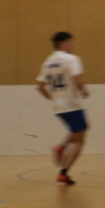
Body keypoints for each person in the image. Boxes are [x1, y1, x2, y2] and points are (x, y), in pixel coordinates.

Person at [35, 32, 90, 186]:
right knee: (80, 141)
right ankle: (63, 173)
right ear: (61, 43)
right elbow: (77, 79)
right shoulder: (71, 59)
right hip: (72, 105)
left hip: (59, 108)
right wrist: (84, 90)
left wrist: (54, 98)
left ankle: (61, 147)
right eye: (69, 42)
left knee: (82, 129)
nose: (72, 44)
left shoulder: (47, 62)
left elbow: (40, 87)